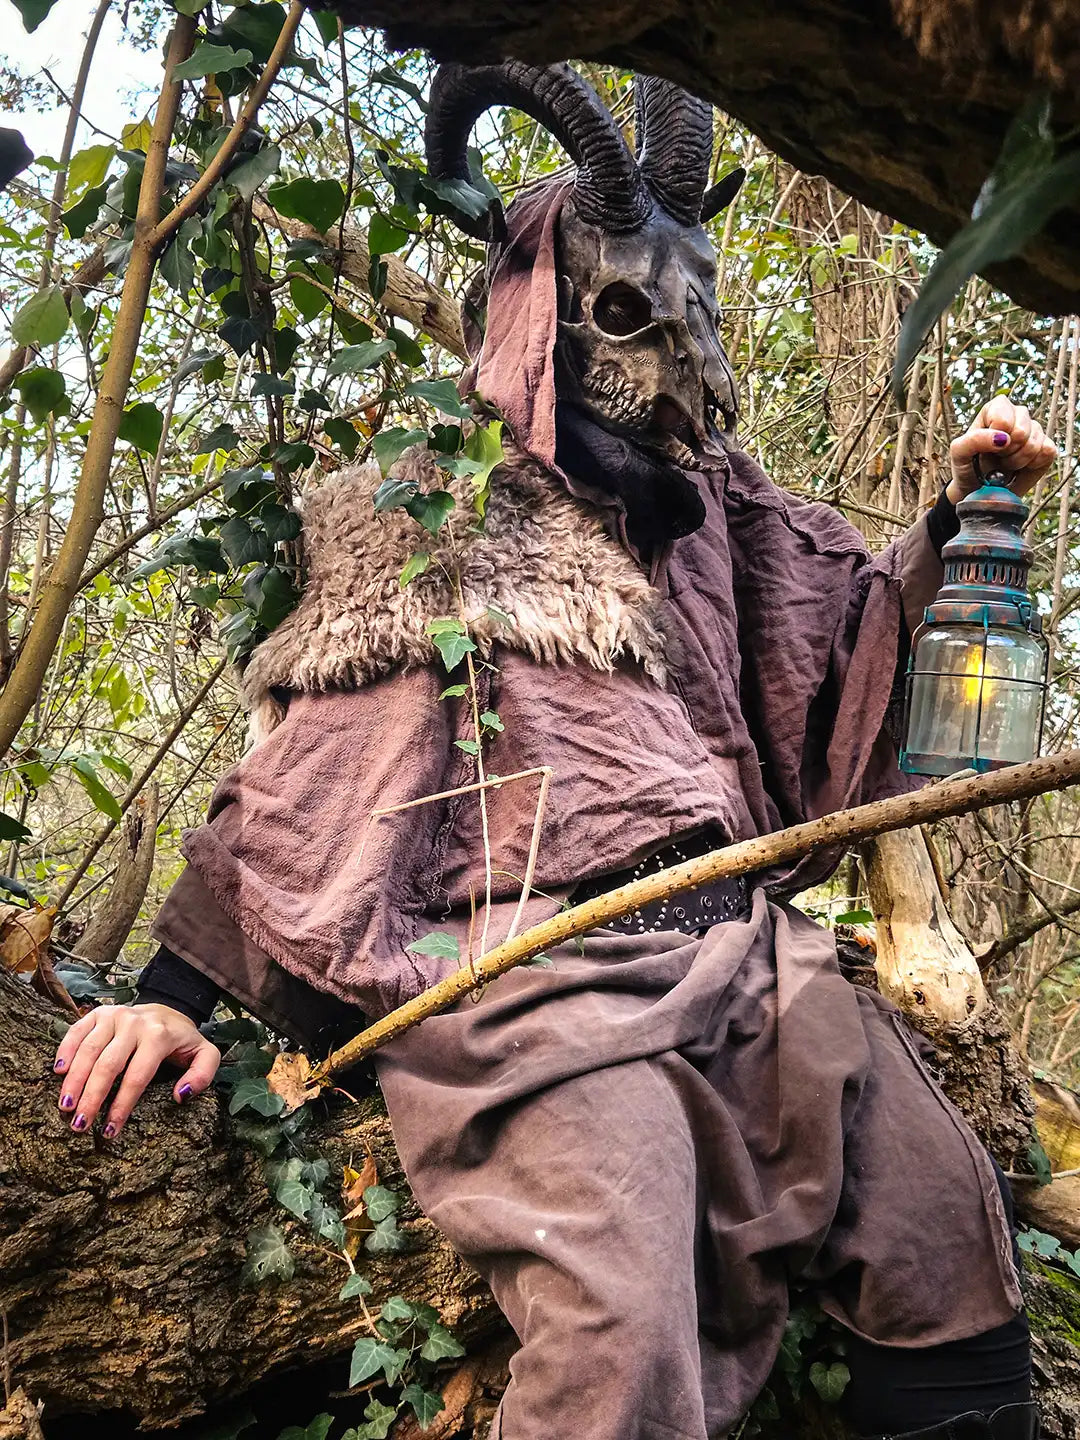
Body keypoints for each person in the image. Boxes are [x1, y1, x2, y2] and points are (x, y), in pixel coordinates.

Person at [53, 64, 1057, 1440]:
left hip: (743, 953)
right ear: (543, 315)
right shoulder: (433, 507)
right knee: (619, 1313)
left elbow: (829, 647)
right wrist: (176, 992)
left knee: (943, 1227)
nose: (682, 354)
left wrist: (961, 519)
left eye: (698, 306)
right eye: (634, 311)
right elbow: (322, 766)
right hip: (529, 977)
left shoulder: (711, 514)